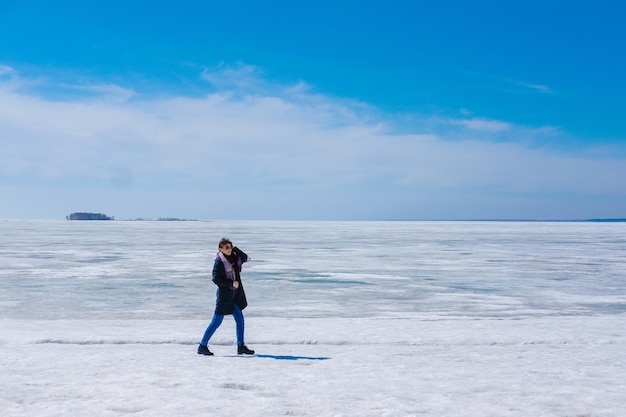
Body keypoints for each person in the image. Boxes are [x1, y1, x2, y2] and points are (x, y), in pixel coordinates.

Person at [198, 238, 255, 356]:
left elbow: (245, 258)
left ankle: (241, 346)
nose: (229, 250)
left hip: (234, 297)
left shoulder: (233, 258)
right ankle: (202, 346)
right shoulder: (219, 262)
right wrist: (230, 283)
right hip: (224, 298)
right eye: (226, 248)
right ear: (220, 249)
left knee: (240, 320)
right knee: (216, 322)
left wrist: (235, 249)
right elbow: (215, 279)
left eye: (230, 247)